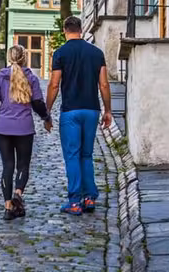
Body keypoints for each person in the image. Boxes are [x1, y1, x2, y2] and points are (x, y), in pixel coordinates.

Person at [46, 16, 112, 216]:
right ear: (81, 30)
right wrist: (107, 110)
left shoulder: (61, 53)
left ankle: (75, 200)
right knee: (86, 154)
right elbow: (104, 84)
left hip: (71, 111)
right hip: (91, 110)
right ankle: (90, 197)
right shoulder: (96, 53)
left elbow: (54, 84)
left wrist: (47, 110)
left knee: (72, 155)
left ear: (64, 30)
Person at [0, 45, 53, 221]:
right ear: (24, 58)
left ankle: (7, 207)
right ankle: (18, 193)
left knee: (7, 166)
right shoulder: (31, 78)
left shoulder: (1, 77)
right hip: (24, 128)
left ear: (9, 58)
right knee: (23, 165)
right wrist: (46, 118)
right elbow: (37, 104)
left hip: (3, 128)